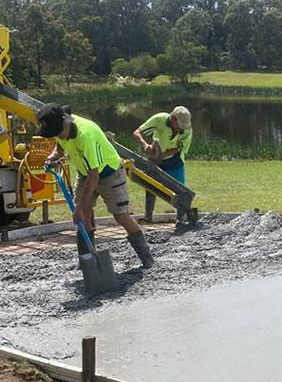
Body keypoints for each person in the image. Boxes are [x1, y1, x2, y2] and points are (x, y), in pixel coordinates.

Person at [37, 103, 154, 269]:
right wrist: (52, 157)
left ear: (65, 123)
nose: (58, 137)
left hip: (109, 173)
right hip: (86, 174)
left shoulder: (86, 135)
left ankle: (146, 257)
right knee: (83, 217)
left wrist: (79, 206)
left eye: (58, 134)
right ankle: (87, 261)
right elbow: (60, 148)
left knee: (120, 216)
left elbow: (95, 175)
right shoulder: (60, 128)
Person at [132, 106, 192, 223]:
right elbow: (137, 133)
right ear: (173, 118)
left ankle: (181, 218)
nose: (181, 129)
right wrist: (145, 146)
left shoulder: (187, 129)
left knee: (180, 188)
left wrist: (162, 155)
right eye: (179, 125)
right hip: (155, 152)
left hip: (175, 159)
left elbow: (181, 148)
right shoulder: (159, 119)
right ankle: (148, 216)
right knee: (150, 184)